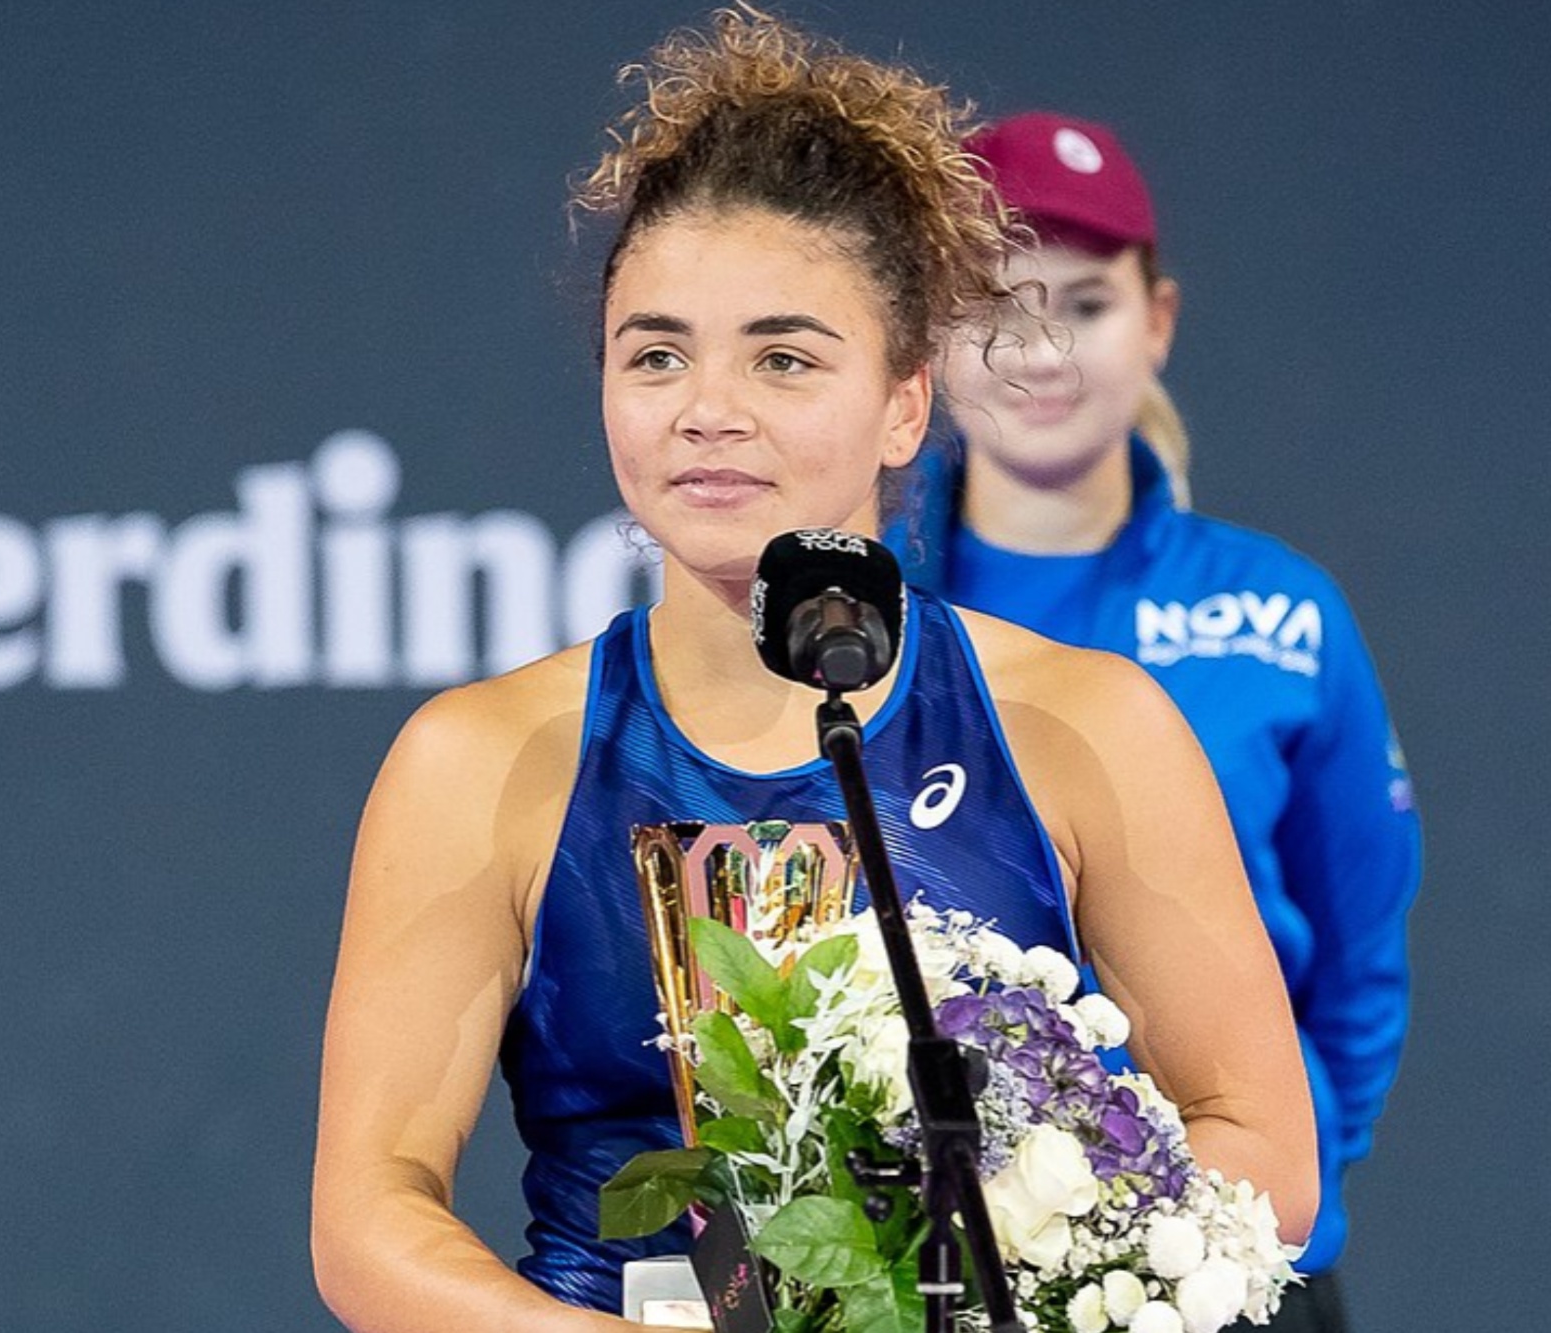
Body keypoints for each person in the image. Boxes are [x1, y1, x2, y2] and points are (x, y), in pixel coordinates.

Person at [310, 13, 1316, 1330]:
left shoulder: (1086, 727)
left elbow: (1261, 1149)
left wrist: (1019, 1272)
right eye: (655, 353)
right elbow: (369, 1218)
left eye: (783, 357)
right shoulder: (484, 761)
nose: (706, 408)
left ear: (908, 399)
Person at [887, 110, 1424, 1333]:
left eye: (1083, 304)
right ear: (927, 332)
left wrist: (1270, 1192)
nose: (1038, 348)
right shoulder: (862, 624)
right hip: (933, 1280)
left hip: (1229, 1275)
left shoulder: (1279, 612)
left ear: (1159, 322)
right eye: (993, 302)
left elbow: (1357, 947)